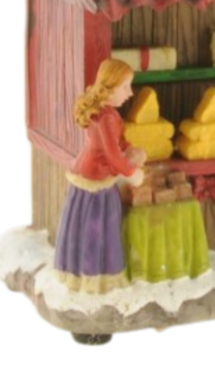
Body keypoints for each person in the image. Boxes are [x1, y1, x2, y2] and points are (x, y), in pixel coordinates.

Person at [54, 59, 147, 294]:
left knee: (91, 225)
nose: (130, 93)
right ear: (110, 88)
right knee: (97, 228)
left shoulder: (107, 114)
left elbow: (118, 142)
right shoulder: (106, 117)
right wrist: (132, 173)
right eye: (125, 87)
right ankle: (95, 277)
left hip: (93, 172)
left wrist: (131, 149)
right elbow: (113, 156)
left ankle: (83, 273)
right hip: (96, 178)